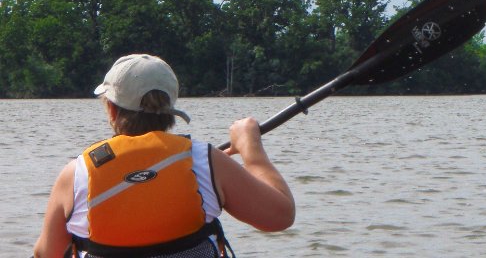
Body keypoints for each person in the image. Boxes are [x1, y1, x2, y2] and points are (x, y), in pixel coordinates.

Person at [33, 54, 295, 258]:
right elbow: (280, 216)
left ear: (112, 110)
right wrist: (251, 148)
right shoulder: (205, 161)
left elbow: (47, 253)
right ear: (171, 109)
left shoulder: (77, 173)